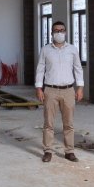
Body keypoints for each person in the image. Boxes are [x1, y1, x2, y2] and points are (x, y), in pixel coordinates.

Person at [35, 21, 84, 163]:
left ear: (65, 32)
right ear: (51, 33)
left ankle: (69, 151)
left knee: (68, 123)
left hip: (68, 90)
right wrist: (39, 88)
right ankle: (48, 151)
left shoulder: (72, 49)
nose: (59, 33)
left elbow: (78, 68)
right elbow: (40, 69)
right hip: (50, 90)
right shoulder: (45, 50)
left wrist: (80, 88)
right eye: (56, 30)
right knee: (48, 123)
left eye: (62, 30)